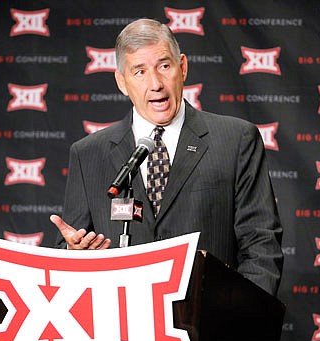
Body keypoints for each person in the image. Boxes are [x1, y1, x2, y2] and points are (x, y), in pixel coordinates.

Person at [50, 18, 283, 295]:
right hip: (125, 328)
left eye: (164, 66)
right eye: (139, 71)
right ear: (122, 82)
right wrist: (73, 253)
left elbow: (261, 246)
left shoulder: (236, 140)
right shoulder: (88, 154)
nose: (156, 83)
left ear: (182, 67)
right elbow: (70, 249)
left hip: (211, 325)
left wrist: (238, 317)